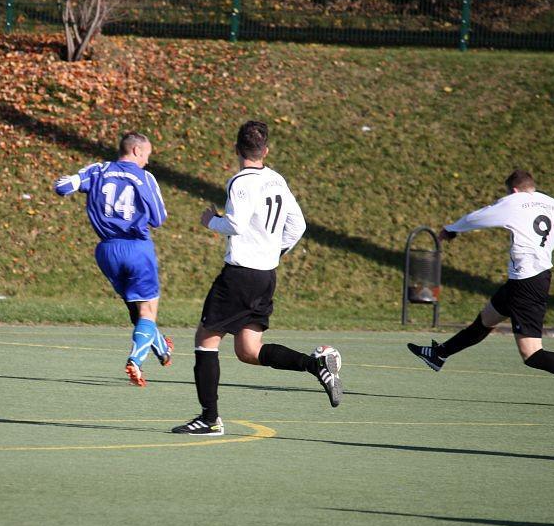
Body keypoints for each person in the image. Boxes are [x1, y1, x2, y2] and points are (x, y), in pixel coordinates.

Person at [408, 169, 554, 408]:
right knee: (486, 319)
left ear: (515, 190)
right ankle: (439, 354)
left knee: (532, 354)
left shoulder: (514, 201)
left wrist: (452, 229)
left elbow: (479, 217)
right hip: (526, 280)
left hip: (527, 284)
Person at [171, 120, 341, 436]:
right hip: (265, 276)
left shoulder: (240, 182)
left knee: (205, 340)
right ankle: (315, 365)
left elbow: (235, 224)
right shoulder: (276, 179)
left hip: (239, 276)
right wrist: (274, 253)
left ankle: (210, 419)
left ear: (236, 149)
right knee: (248, 350)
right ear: (266, 151)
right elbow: (298, 226)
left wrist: (211, 222)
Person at [54, 132, 172, 387]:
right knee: (147, 311)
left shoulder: (97, 170)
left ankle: (162, 347)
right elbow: (159, 218)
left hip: (107, 251)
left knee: (136, 308)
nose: (147, 161)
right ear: (137, 151)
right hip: (137, 248)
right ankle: (135, 360)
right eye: (147, 155)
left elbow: (62, 187)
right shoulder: (145, 177)